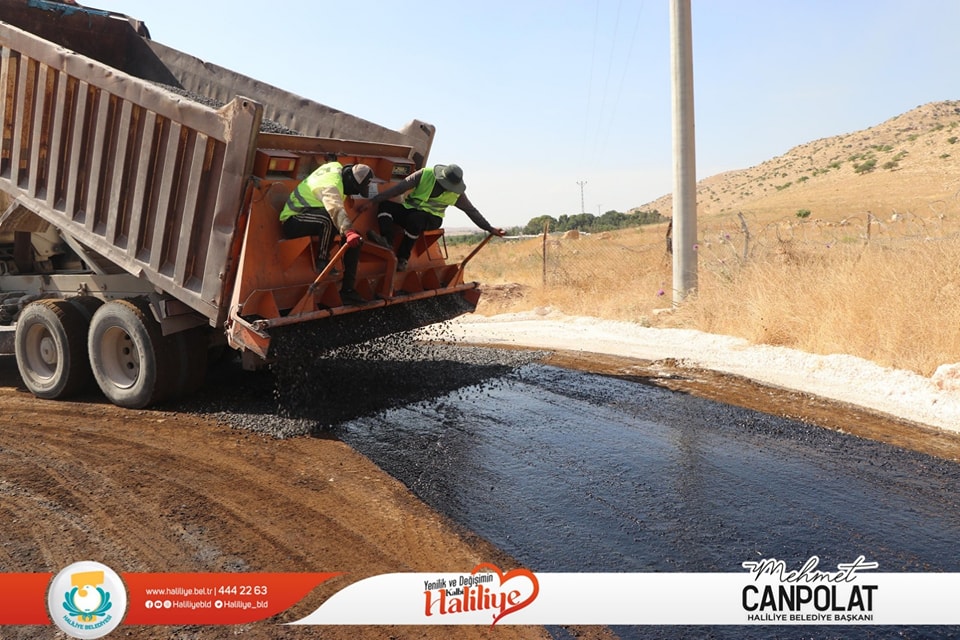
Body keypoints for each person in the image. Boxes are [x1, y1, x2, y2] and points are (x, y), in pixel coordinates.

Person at [358, 163, 506, 271]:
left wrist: (490, 228)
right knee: (385, 206)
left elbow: (471, 211)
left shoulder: (457, 194)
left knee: (416, 220)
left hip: (432, 219)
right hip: (411, 210)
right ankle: (387, 241)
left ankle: (403, 258)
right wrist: (371, 202)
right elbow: (398, 189)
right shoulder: (424, 174)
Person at [279, 160, 373, 305]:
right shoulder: (332, 185)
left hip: (313, 214)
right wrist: (348, 231)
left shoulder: (336, 167)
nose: (353, 193)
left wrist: (351, 234)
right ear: (349, 180)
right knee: (329, 220)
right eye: (355, 189)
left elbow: (330, 163)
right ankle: (322, 261)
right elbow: (335, 208)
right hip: (293, 219)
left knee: (354, 239)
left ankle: (348, 290)